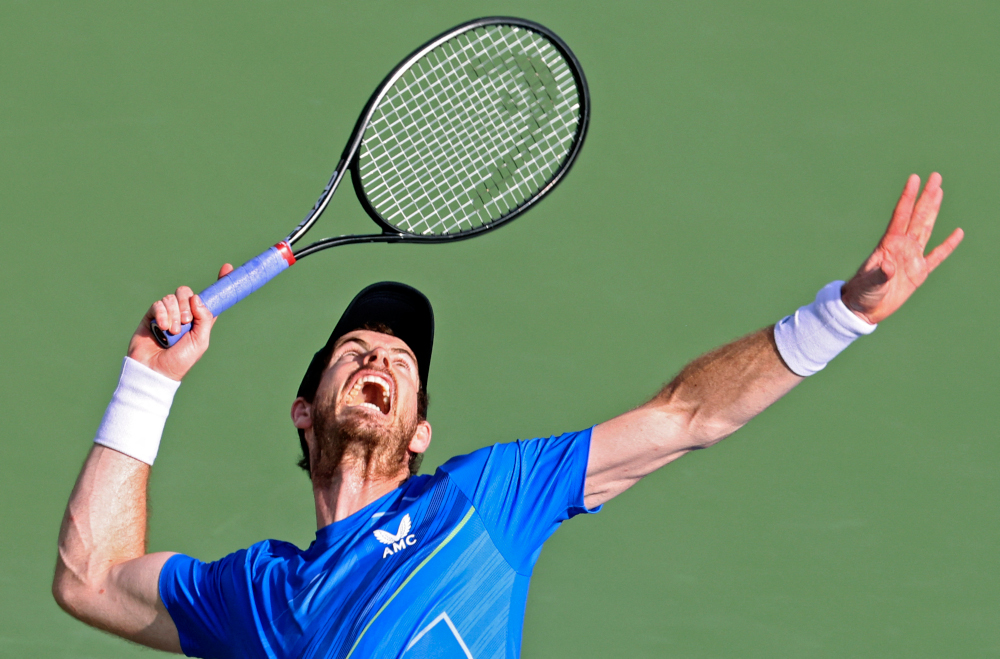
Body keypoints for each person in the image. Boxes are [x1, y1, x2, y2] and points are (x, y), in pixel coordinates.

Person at [53, 173, 963, 658]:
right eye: (354, 350)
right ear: (305, 408)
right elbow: (90, 579)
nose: (378, 358)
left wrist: (839, 316)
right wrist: (148, 381)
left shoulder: (483, 499)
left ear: (420, 432)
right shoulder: (260, 595)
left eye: (401, 362)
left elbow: (687, 415)